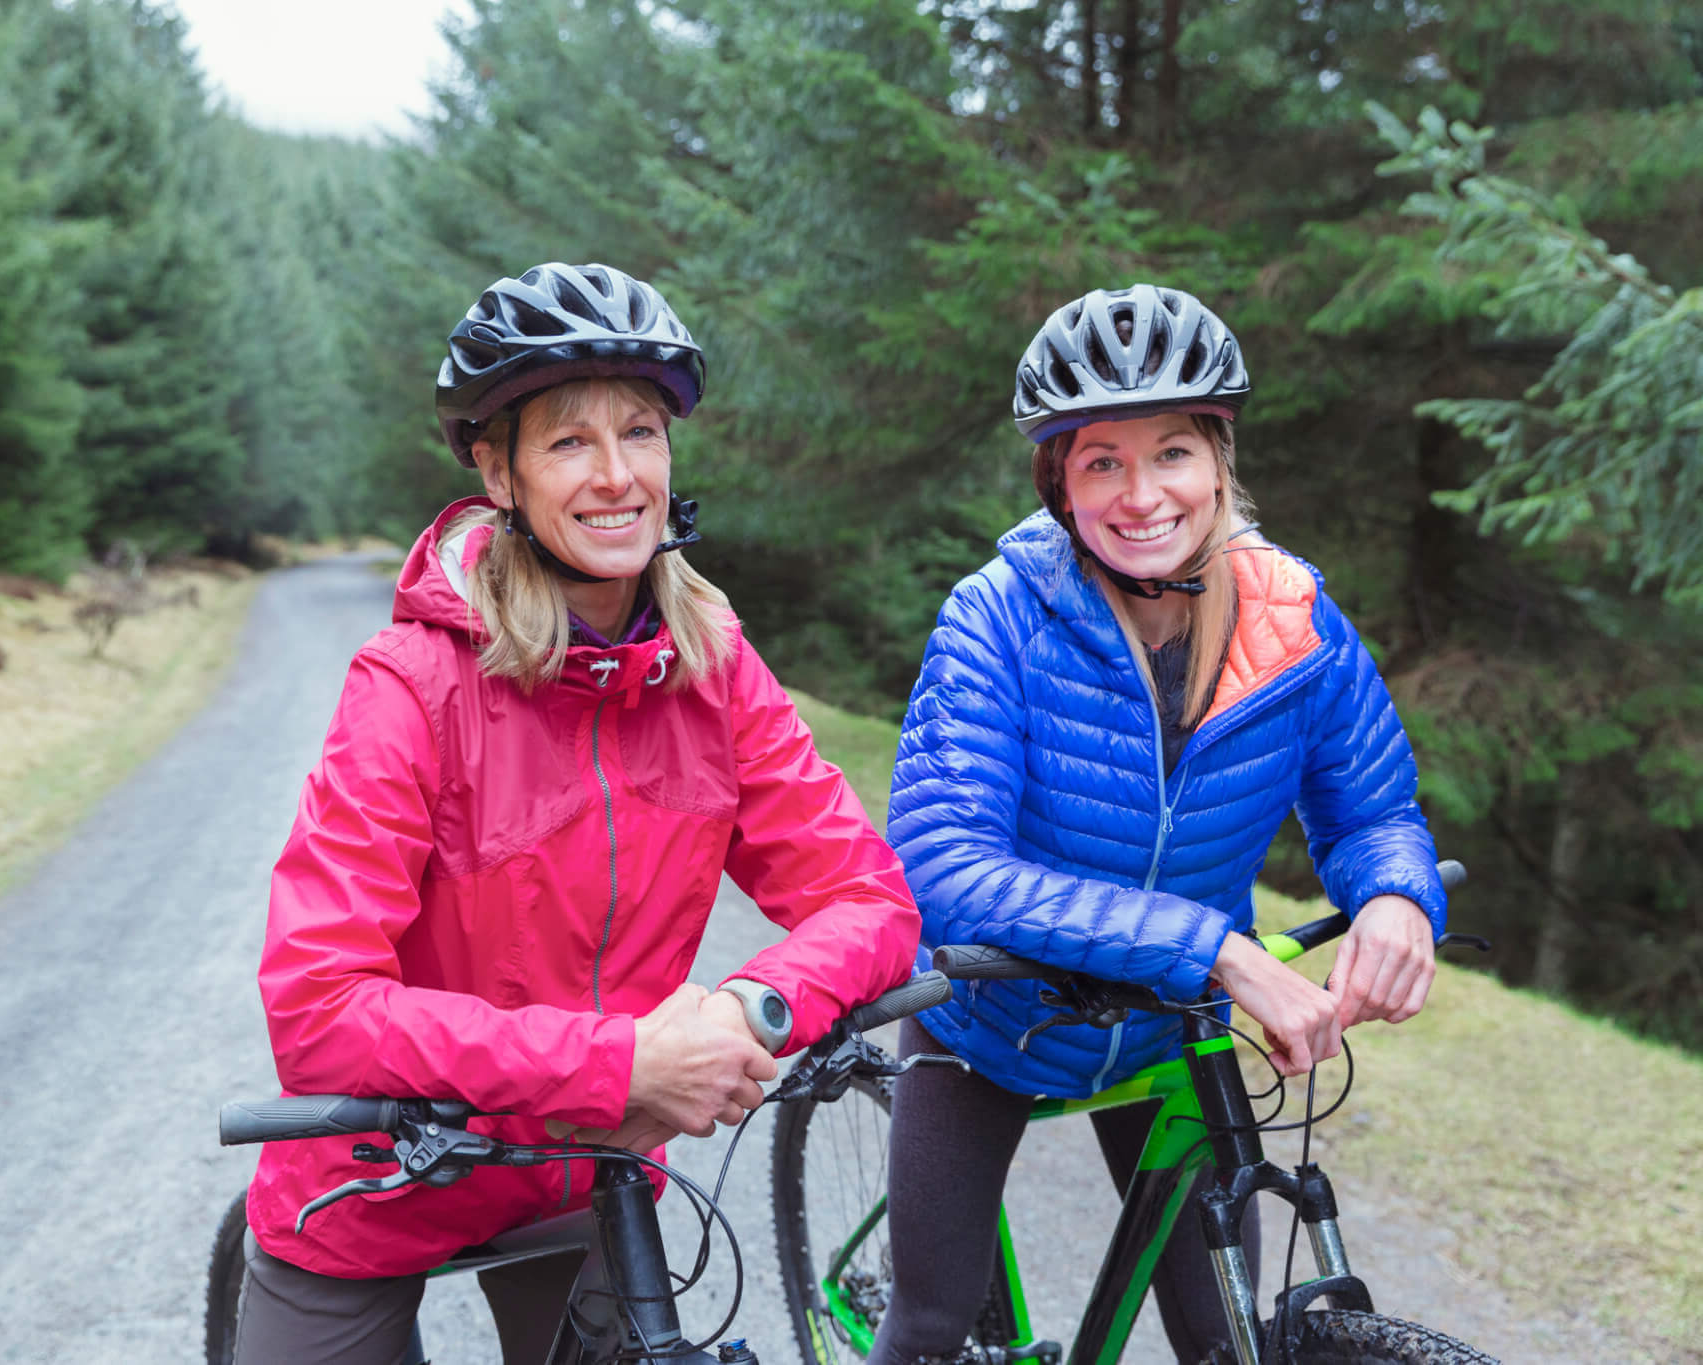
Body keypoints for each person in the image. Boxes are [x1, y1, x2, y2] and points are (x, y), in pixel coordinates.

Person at [235, 261, 920, 1364]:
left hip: (590, 1177)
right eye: (567, 442)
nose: (615, 477)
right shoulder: (410, 685)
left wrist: (753, 1011)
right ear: (497, 473)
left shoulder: (713, 665)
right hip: (379, 1181)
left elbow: (867, 901)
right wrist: (616, 1068)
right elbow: (318, 1011)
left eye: (640, 432)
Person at [874, 284, 1448, 1363]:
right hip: (992, 1026)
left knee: (1223, 1340)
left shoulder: (1291, 618)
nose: (1142, 495)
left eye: (1172, 452)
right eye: (1102, 462)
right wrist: (1214, 948)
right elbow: (946, 866)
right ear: (1059, 485)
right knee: (930, 1326)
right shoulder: (993, 618)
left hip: (1163, 1030)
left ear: (1218, 463)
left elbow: (1369, 808)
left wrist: (1393, 896)